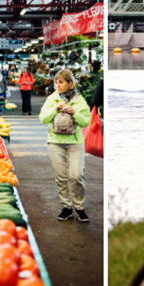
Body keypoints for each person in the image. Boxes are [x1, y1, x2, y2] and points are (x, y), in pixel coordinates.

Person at [39, 69, 92, 222]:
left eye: (61, 82)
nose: (57, 85)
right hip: (55, 142)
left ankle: (79, 207)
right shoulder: (51, 99)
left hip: (75, 143)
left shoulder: (80, 100)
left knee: (76, 176)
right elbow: (43, 118)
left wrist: (74, 112)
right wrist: (54, 110)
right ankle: (66, 207)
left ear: (70, 83)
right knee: (61, 177)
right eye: (56, 82)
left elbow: (85, 122)